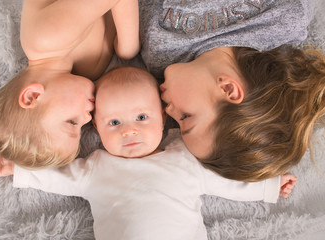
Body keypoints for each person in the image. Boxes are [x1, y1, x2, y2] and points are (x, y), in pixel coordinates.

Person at [0, 66, 297, 240]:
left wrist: (267, 185)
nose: (128, 131)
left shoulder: (184, 156)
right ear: (97, 128)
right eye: (114, 122)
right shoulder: (96, 167)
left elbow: (225, 180)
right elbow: (58, 178)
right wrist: (20, 169)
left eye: (142, 118)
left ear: (164, 119)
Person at [139, 0, 325, 181]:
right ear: (228, 89)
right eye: (185, 117)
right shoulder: (283, 16)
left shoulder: (160, 51)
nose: (168, 110)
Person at [0, 0, 140, 170]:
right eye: (81, 126)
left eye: (72, 122)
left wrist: (128, 47)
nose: (88, 118)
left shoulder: (46, 38)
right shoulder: (89, 71)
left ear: (33, 96)